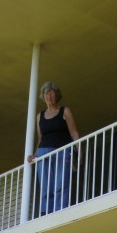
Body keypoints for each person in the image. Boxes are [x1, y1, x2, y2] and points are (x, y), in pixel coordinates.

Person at [27, 81, 80, 215]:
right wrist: (34, 155)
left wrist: (79, 153)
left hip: (62, 151)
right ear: (43, 96)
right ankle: (47, 213)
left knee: (60, 185)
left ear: (57, 95)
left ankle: (60, 211)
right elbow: (40, 138)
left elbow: (74, 133)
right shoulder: (39, 116)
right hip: (43, 153)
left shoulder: (65, 111)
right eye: (46, 93)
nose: (49, 96)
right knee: (46, 187)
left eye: (52, 93)